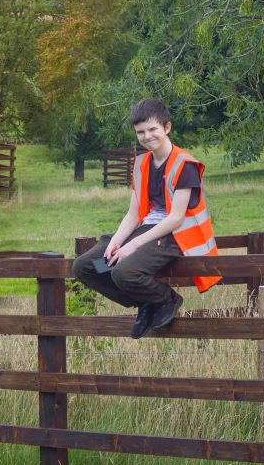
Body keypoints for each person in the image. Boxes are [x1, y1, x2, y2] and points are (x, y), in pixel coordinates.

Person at [72, 98, 221, 338]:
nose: (147, 136)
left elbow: (175, 218)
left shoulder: (186, 165)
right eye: (140, 132)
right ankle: (145, 301)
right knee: (88, 266)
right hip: (144, 230)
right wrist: (116, 242)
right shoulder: (142, 163)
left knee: (123, 271)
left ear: (167, 127)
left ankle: (166, 298)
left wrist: (132, 245)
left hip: (174, 236)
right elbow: (133, 213)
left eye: (152, 129)